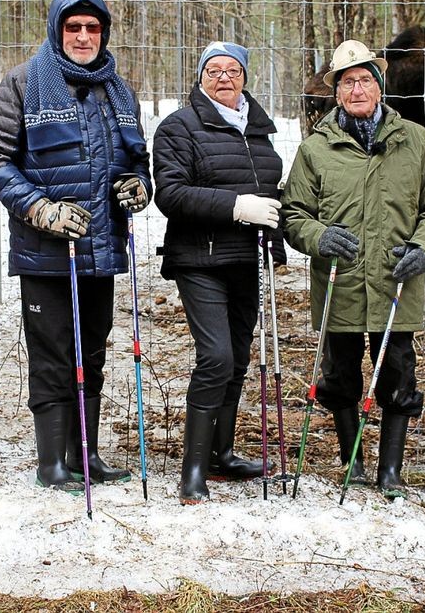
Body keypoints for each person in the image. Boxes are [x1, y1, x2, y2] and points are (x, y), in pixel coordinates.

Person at [0, 0, 152, 493]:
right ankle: (52, 461)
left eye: (92, 28)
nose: (82, 36)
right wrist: (39, 208)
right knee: (53, 355)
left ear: (104, 34)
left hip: (101, 249)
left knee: (91, 352)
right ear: (57, 30)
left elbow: (137, 159)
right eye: (73, 27)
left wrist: (138, 186)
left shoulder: (116, 90)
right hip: (46, 252)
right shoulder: (23, 83)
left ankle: (86, 452)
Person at [282, 39, 425, 499]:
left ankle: (390, 469)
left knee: (397, 370)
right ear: (336, 92)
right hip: (340, 281)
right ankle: (351, 459)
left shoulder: (414, 140)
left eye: (364, 80)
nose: (357, 89)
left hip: (396, 281)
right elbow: (294, 213)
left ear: (380, 86)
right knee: (339, 374)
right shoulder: (317, 148)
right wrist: (319, 238)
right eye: (347, 82)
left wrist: (423, 247)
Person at [153, 42, 286, 505]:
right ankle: (193, 471)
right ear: (200, 77)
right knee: (216, 358)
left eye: (233, 70)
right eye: (213, 70)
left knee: (239, 360)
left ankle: (220, 454)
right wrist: (237, 206)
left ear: (246, 77)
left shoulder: (259, 129)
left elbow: (270, 191)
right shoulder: (179, 127)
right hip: (200, 258)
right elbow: (170, 194)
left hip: (248, 260)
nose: (224, 77)